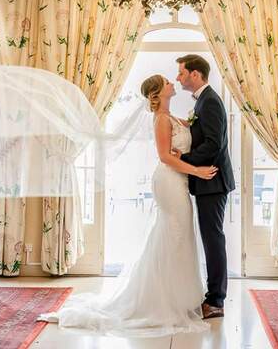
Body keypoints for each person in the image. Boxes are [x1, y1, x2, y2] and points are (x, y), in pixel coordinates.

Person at [37, 74, 218, 337]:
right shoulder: (161, 120)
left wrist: (188, 162)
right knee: (174, 234)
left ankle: (177, 298)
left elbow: (177, 151)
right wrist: (197, 171)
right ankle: (160, 302)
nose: (172, 83)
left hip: (179, 182)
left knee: (179, 236)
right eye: (167, 82)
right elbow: (165, 157)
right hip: (169, 182)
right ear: (158, 92)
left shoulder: (174, 118)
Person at [175, 54, 235, 319]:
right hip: (206, 183)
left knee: (213, 240)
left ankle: (216, 301)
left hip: (213, 181)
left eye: (181, 73)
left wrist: (183, 160)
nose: (178, 77)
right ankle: (213, 298)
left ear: (195, 74)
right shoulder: (203, 102)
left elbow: (214, 145)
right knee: (211, 239)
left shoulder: (210, 101)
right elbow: (204, 135)